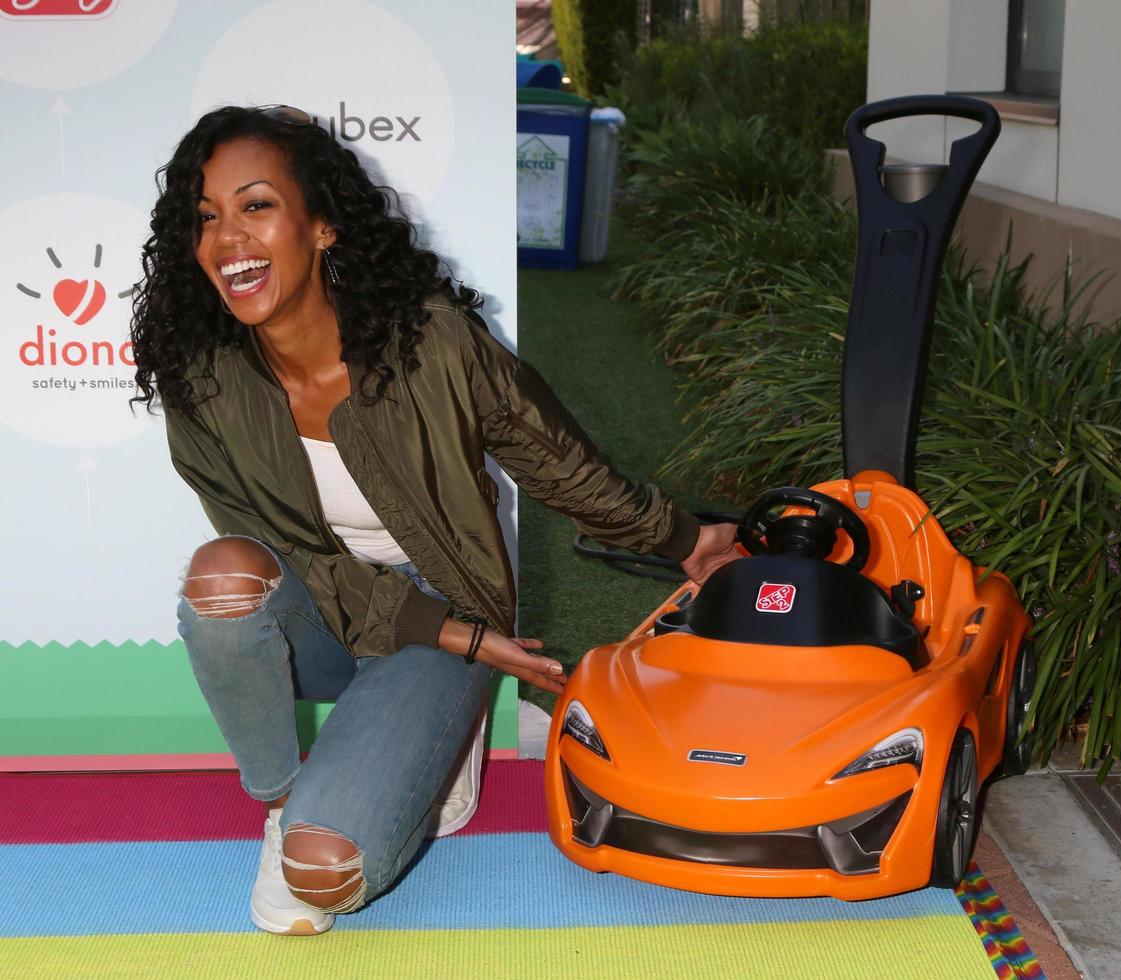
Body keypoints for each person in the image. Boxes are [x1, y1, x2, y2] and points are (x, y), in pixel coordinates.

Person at [129, 105, 739, 937]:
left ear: (324, 227)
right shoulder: (201, 381)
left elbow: (552, 458)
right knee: (225, 579)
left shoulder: (431, 342)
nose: (228, 238)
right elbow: (294, 556)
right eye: (205, 218)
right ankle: (280, 803)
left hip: (439, 603)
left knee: (326, 877)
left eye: (257, 205)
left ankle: (413, 747)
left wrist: (682, 539)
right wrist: (471, 644)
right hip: (325, 611)